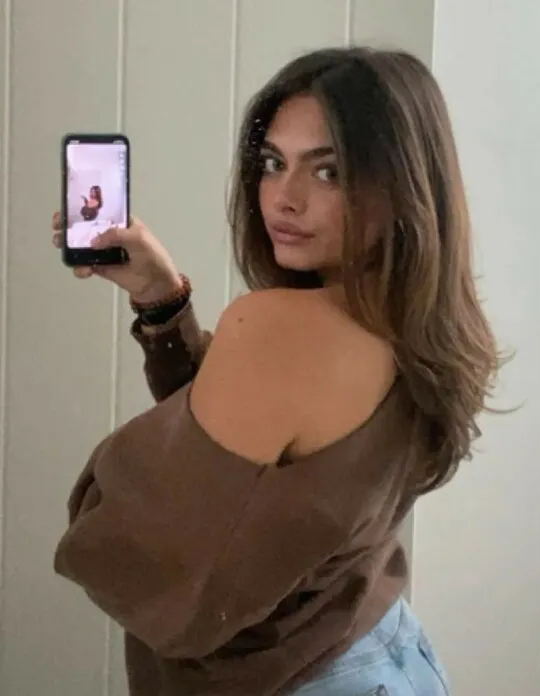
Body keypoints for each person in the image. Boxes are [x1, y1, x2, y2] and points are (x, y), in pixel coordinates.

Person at [51, 47, 500, 696]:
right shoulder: (419, 321)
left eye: (330, 171)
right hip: (388, 652)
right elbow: (251, 480)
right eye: (272, 163)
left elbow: (138, 552)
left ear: (402, 184)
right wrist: (162, 300)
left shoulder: (275, 328)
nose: (285, 198)